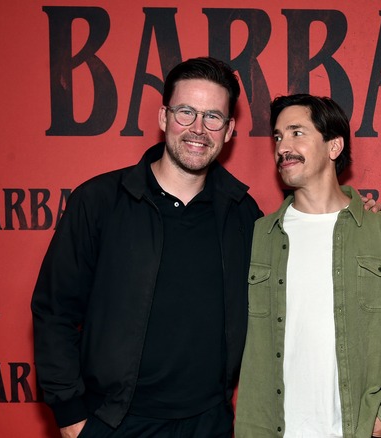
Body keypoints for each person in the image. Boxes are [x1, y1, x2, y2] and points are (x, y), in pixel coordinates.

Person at [31, 57, 261, 437]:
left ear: (229, 129)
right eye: (186, 112)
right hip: (114, 423)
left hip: (210, 423)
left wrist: (358, 216)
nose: (198, 129)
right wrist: (71, 416)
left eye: (212, 117)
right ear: (163, 117)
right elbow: (54, 310)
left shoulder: (243, 213)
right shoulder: (100, 201)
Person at [235, 94, 381, 438]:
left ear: (334, 146)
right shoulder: (258, 237)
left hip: (355, 429)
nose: (283, 147)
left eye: (297, 133)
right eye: (278, 137)